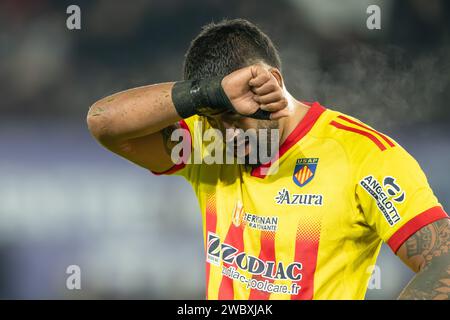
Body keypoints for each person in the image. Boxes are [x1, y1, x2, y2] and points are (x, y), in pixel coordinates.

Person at [87, 19, 449, 300]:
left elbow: (444, 261)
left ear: (272, 82)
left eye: (235, 118)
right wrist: (206, 95)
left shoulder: (362, 156)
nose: (228, 135)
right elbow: (103, 122)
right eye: (215, 120)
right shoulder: (206, 145)